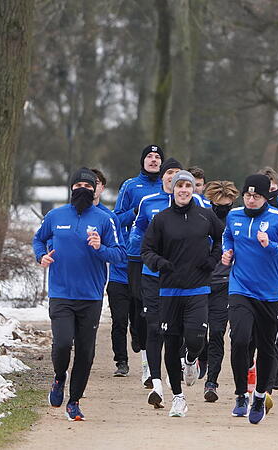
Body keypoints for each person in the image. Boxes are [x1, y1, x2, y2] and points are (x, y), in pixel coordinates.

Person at [33, 168, 126, 421]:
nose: (83, 189)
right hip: (61, 293)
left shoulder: (105, 219)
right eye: (78, 185)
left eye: (88, 185)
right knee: (63, 343)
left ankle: (74, 401)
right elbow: (38, 240)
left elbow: (120, 254)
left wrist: (100, 248)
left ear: (95, 190)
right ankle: (59, 377)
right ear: (71, 189)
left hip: (91, 296)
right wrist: (41, 256)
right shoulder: (55, 215)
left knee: (86, 352)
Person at [141, 170, 224, 417]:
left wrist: (213, 259)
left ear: (193, 189)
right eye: (180, 186)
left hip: (198, 288)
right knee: (171, 341)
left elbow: (222, 239)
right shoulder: (161, 219)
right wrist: (159, 263)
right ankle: (178, 397)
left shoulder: (205, 216)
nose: (184, 190)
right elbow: (146, 250)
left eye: (188, 186)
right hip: (169, 290)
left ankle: (190, 361)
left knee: (196, 338)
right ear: (173, 189)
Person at [221, 174, 278, 424]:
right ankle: (240, 394)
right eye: (247, 195)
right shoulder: (234, 215)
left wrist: (272, 246)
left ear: (267, 196)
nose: (251, 200)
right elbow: (227, 237)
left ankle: (258, 396)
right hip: (240, 288)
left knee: (268, 347)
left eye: (256, 196)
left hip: (269, 292)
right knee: (240, 339)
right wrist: (227, 252)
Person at [130, 158, 209, 408]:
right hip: (154, 277)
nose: (172, 177)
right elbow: (137, 231)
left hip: (185, 281)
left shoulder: (199, 205)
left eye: (178, 174)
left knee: (182, 333)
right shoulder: (148, 202)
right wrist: (147, 251)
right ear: (164, 178)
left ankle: (189, 359)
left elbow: (211, 237)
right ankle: (156, 385)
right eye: (169, 173)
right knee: (154, 329)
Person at [114, 145, 164, 386]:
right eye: (149, 157)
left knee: (150, 307)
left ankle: (147, 357)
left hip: (162, 258)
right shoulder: (131, 186)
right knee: (138, 302)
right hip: (135, 254)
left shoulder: (169, 189)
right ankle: (137, 332)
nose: (153, 161)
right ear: (142, 161)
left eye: (157, 157)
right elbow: (116, 218)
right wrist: (136, 211)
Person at [200, 180, 239, 402]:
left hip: (226, 284)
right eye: (219, 204)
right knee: (196, 331)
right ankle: (199, 356)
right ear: (210, 201)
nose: (223, 208)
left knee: (217, 332)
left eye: (228, 204)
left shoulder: (238, 219)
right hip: (200, 282)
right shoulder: (201, 218)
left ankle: (211, 383)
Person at [91, 169, 132, 377]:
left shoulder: (108, 217)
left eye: (96, 183)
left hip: (136, 272)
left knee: (140, 321)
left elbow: (118, 249)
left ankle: (139, 341)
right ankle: (121, 361)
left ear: (102, 187)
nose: (92, 187)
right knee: (119, 320)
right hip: (115, 276)